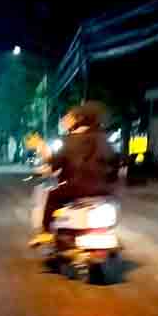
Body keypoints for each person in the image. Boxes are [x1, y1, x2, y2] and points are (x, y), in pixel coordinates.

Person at [29, 102, 117, 246]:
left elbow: (54, 164)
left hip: (76, 189)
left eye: (69, 116)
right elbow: (114, 165)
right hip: (104, 190)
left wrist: (41, 148)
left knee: (51, 195)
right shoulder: (104, 140)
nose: (64, 119)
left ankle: (45, 232)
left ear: (79, 119)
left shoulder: (71, 141)